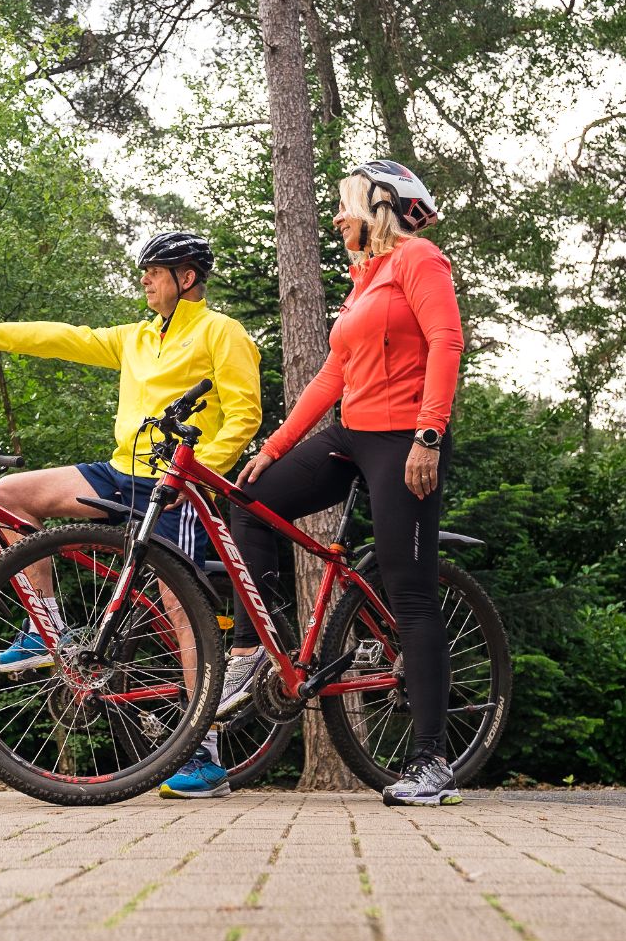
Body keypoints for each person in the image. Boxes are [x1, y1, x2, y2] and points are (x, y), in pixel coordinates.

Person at [0, 231, 262, 798]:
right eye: (146, 270)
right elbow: (64, 338)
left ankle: (204, 756)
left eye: (156, 270)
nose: (146, 279)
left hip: (177, 485)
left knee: (183, 608)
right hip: (121, 474)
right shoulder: (137, 336)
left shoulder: (220, 331)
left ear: (187, 277)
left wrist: (197, 474)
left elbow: (244, 416)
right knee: (10, 494)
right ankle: (46, 629)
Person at [226, 160, 464, 808]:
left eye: (347, 206)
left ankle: (431, 762)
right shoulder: (363, 280)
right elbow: (331, 375)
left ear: (381, 205)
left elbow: (445, 342)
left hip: (404, 441)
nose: (337, 219)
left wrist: (429, 435)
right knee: (247, 503)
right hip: (349, 436)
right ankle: (257, 645)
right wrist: (273, 447)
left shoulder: (418, 260)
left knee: (409, 594)